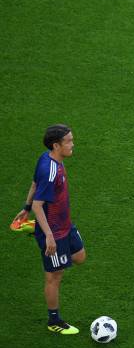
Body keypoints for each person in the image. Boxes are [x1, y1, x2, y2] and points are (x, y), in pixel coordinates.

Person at [11, 125, 86, 334]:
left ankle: (35, 228)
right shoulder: (50, 169)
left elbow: (35, 185)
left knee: (79, 257)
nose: (73, 144)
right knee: (55, 275)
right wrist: (49, 236)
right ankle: (54, 321)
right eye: (69, 141)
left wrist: (25, 209)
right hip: (54, 233)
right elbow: (39, 204)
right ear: (56, 145)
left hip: (65, 225)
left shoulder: (48, 159)